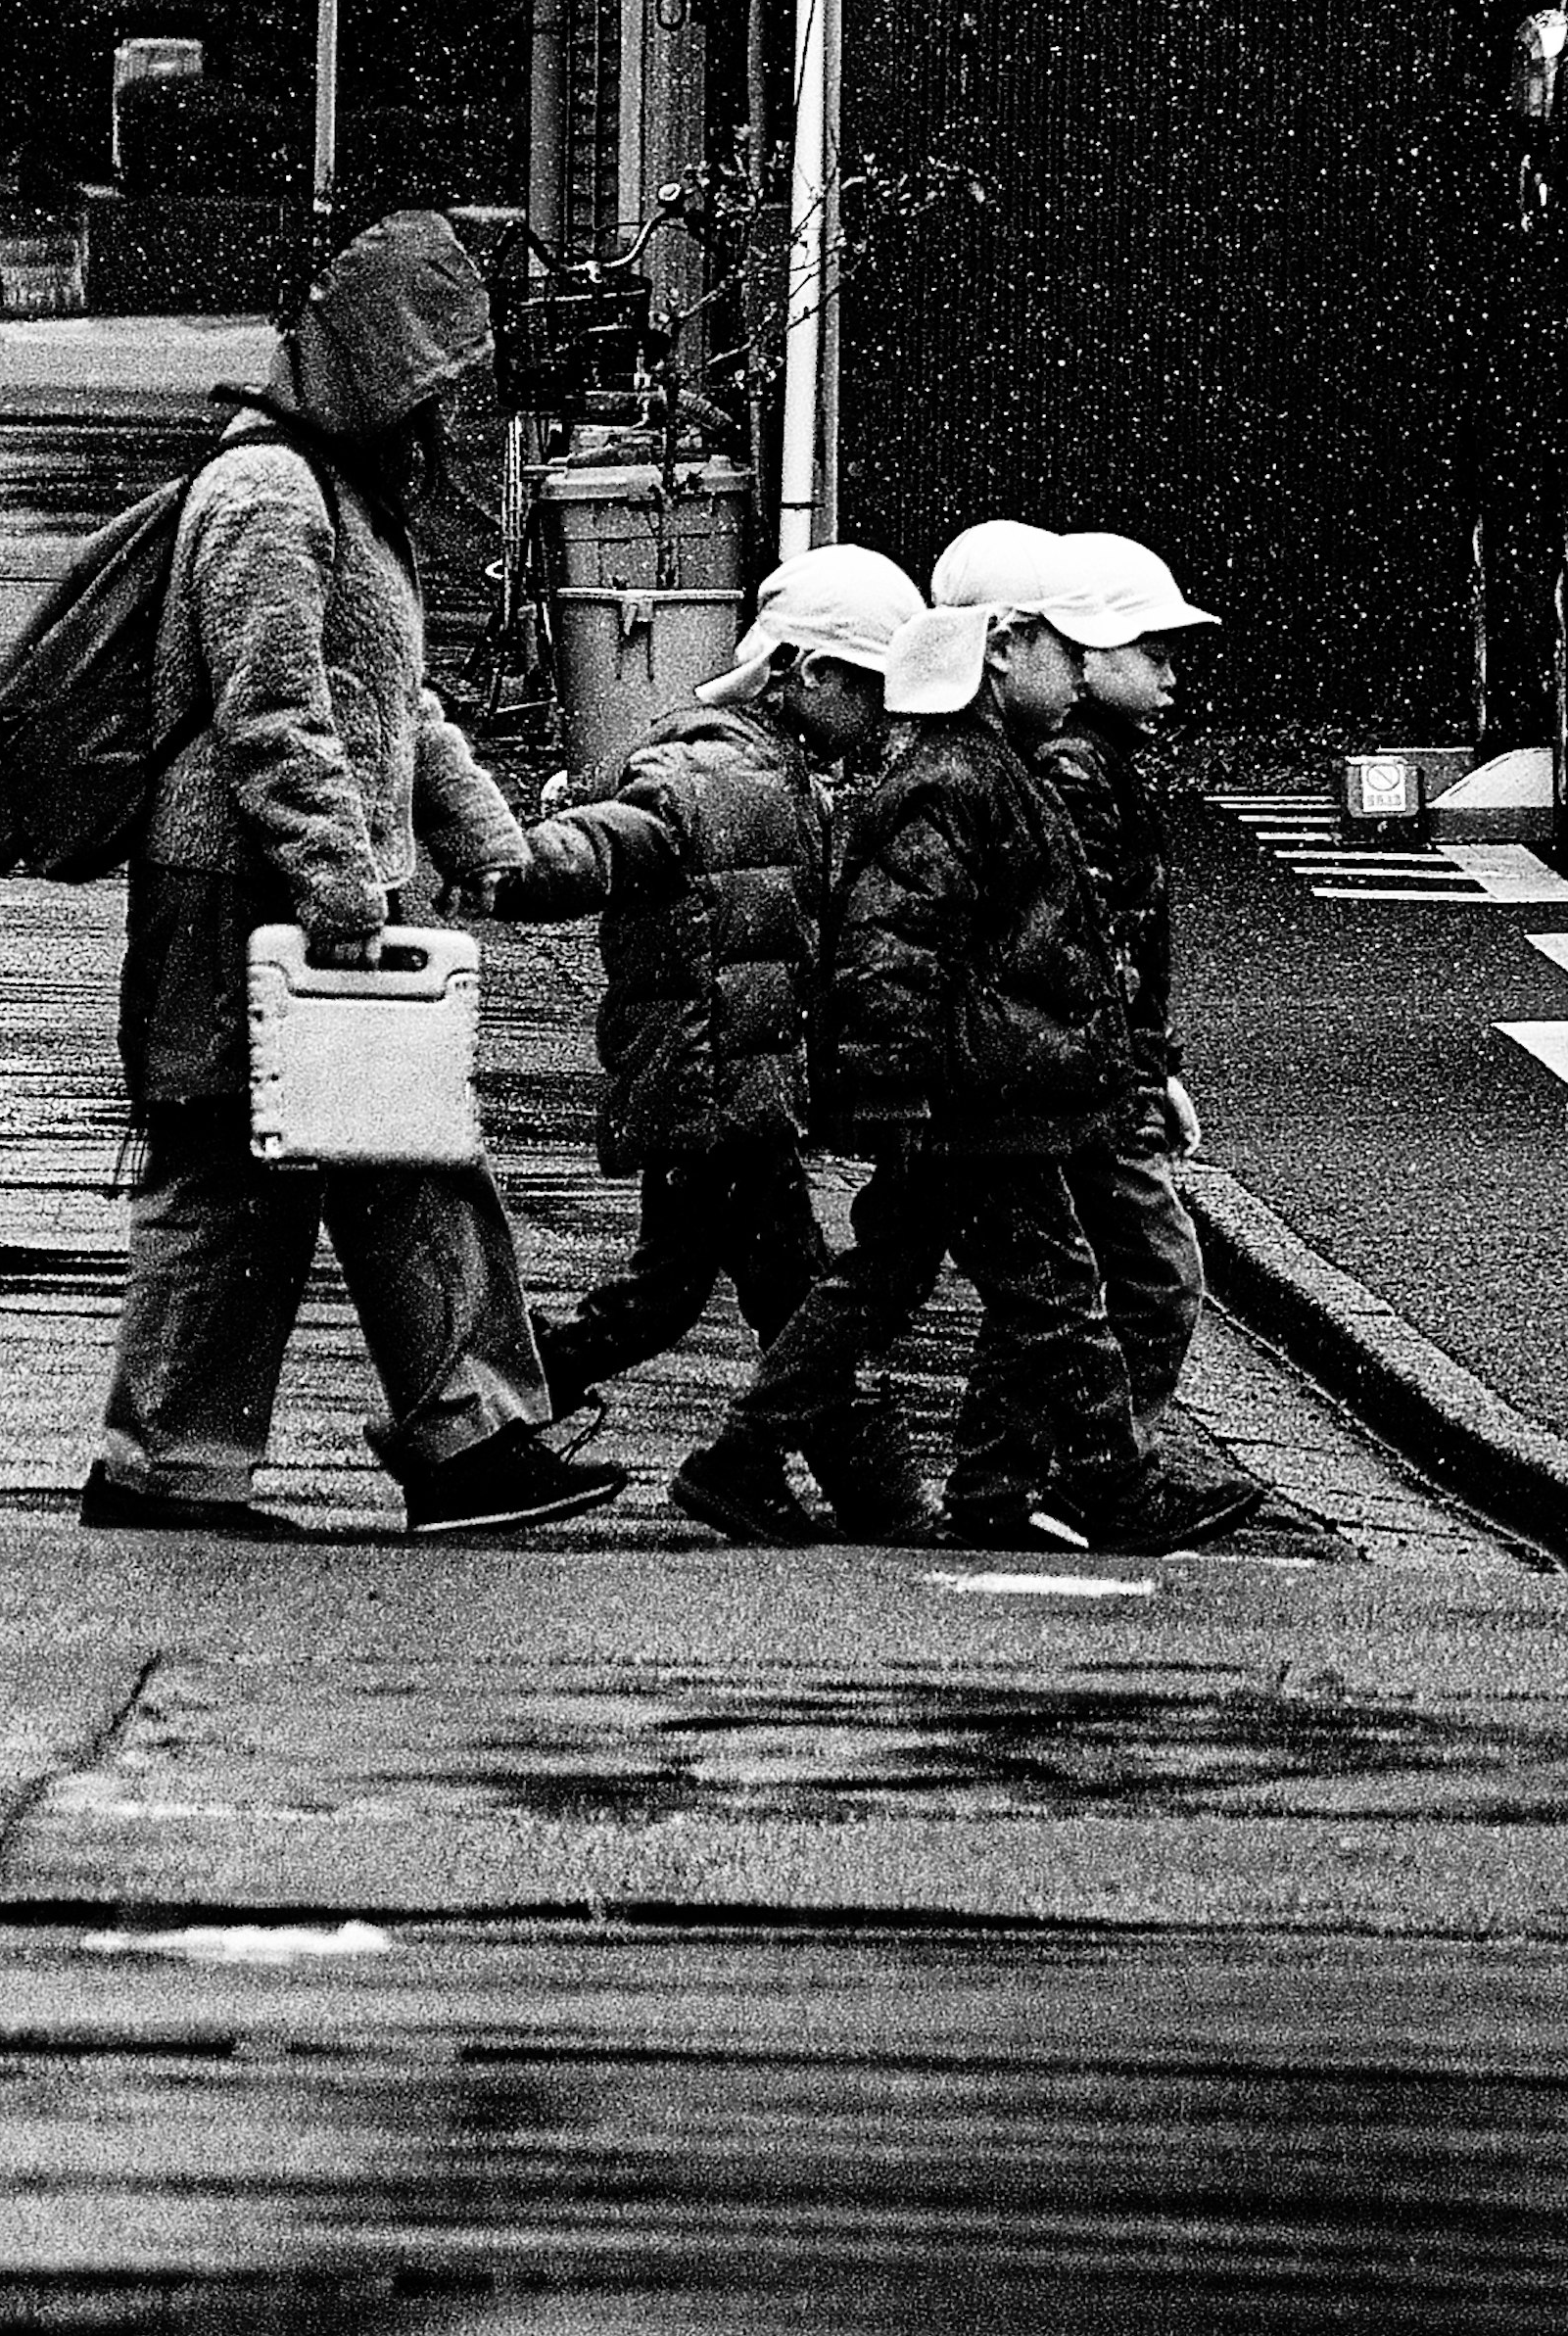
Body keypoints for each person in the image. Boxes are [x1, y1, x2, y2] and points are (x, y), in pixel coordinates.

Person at [83, 210, 625, 1543]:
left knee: (380, 1164)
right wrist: (345, 887)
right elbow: (272, 710)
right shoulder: (270, 492)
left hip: (311, 888)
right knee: (250, 1183)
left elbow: (398, 705)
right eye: (434, 371)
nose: (448, 402)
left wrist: (483, 846)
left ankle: (431, 1441)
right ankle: (216, 1463)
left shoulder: (331, 486)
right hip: (243, 893)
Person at [486, 546, 926, 1526]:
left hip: (729, 1085)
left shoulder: (786, 775)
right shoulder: (709, 774)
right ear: (809, 672)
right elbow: (612, 838)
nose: (883, 716)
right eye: (872, 690)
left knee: (682, 1292)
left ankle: (486, 1415)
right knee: (791, 1293)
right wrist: (511, 864)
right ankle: (865, 1494)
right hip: (712, 1088)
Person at [728, 542, 1148, 1549]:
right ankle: (1116, 1488)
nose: (1084, 672)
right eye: (1066, 648)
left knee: (888, 1278)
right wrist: (893, 1090)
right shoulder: (958, 780)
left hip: (963, 1090)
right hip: (975, 1095)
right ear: (1004, 645)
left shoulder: (976, 770)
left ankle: (742, 1455)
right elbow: (894, 948)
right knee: (1054, 1289)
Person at [1034, 534, 1219, 1453]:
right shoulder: (1076, 774)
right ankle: (1103, 1464)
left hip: (1091, 1063)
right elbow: (1102, 947)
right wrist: (1147, 1072)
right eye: (1152, 652)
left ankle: (1065, 1465)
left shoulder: (1091, 768)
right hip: (1087, 1071)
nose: (1170, 676)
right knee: (1154, 1271)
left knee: (1059, 1285)